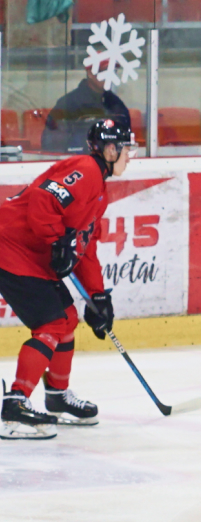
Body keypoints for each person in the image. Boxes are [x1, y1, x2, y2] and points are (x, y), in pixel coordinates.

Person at [0, 118, 133, 440]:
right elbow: (43, 200)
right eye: (127, 149)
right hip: (10, 246)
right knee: (51, 325)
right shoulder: (86, 169)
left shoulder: (99, 191)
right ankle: (14, 407)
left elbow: (84, 247)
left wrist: (98, 296)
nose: (130, 156)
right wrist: (56, 241)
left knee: (68, 318)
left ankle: (57, 395)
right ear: (111, 149)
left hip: (30, 254)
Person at [41, 70, 132, 154]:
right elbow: (50, 143)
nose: (108, 75)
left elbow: (126, 139)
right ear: (90, 73)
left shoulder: (116, 104)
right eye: (103, 71)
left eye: (112, 71)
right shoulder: (69, 103)